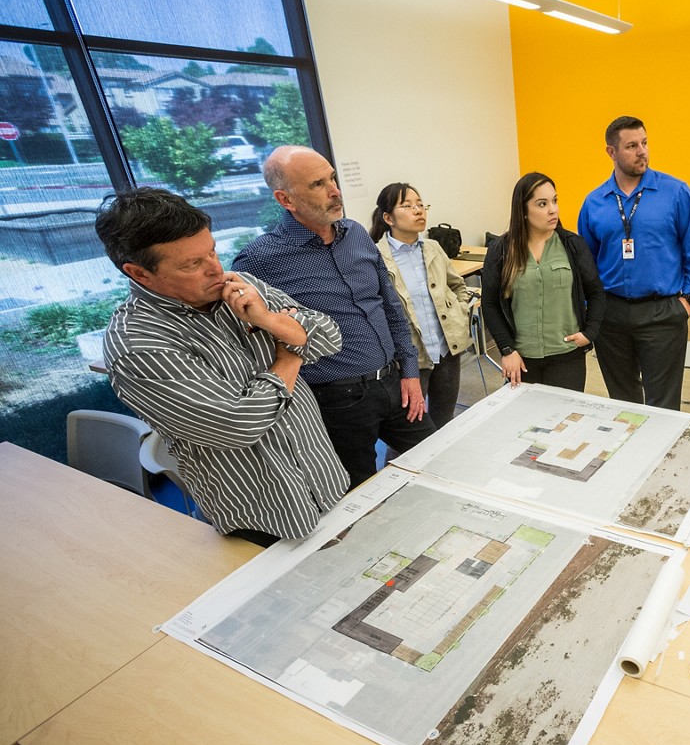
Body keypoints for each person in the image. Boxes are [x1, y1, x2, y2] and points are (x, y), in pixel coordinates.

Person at [97, 187, 348, 544]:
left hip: (323, 479)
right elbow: (240, 423)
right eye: (192, 264)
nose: (215, 269)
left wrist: (271, 321)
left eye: (212, 251)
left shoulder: (239, 287)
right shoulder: (138, 345)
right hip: (264, 518)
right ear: (139, 273)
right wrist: (290, 355)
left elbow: (329, 335)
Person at [233, 146, 431, 489]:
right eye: (318, 184)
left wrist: (410, 371)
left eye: (333, 178)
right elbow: (250, 342)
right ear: (286, 199)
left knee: (435, 459)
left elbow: (391, 307)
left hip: (395, 382)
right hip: (337, 402)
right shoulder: (259, 261)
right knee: (357, 495)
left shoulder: (355, 234)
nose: (335, 190)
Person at [578, 115, 690, 409]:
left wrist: (687, 299)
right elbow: (585, 264)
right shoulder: (594, 202)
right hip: (611, 316)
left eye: (645, 143)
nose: (642, 152)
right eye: (631, 146)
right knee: (623, 403)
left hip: (662, 313)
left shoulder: (675, 192)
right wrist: (592, 310)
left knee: (662, 405)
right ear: (611, 152)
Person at [482, 172, 605, 391]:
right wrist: (507, 350)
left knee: (564, 422)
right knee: (524, 422)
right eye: (542, 204)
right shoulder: (501, 250)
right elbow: (490, 303)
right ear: (523, 210)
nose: (553, 209)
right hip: (521, 358)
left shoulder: (572, 245)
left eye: (554, 201)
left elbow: (596, 292)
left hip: (567, 355)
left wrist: (590, 333)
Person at [370, 182, 473, 431]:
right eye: (407, 206)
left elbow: (458, 286)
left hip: (446, 349)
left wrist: (460, 312)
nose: (418, 211)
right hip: (409, 359)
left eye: (420, 205)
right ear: (388, 217)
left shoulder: (433, 248)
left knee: (443, 421)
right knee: (410, 432)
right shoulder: (375, 257)